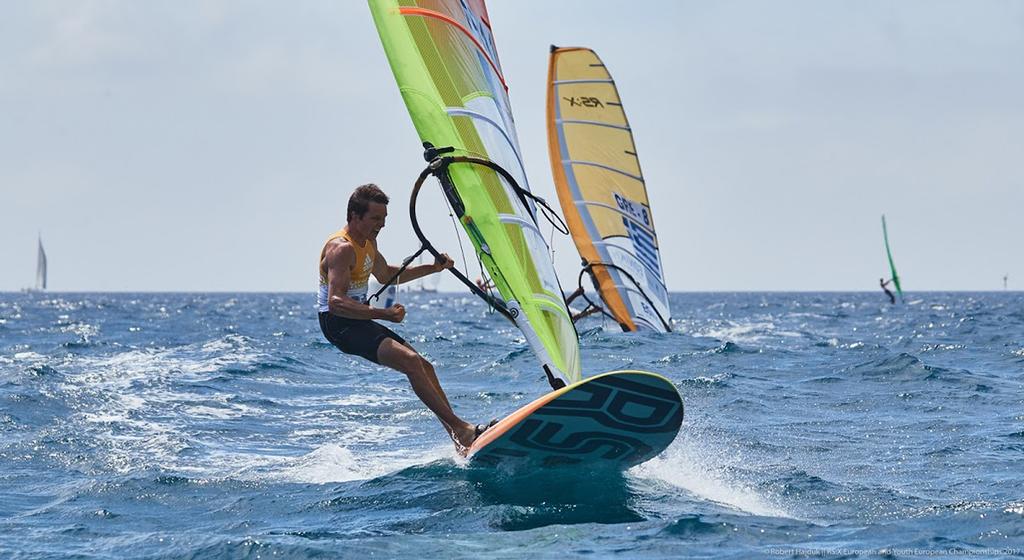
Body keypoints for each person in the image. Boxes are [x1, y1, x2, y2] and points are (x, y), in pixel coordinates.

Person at [318, 184, 493, 455]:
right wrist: (383, 313)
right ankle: (461, 428)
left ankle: (460, 439)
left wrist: (432, 268)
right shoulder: (340, 249)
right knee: (411, 363)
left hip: (357, 319)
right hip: (338, 324)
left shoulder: (369, 243)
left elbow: (387, 273)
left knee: (425, 366)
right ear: (354, 215)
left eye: (384, 219)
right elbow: (336, 303)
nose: (382, 225)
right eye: (376, 218)